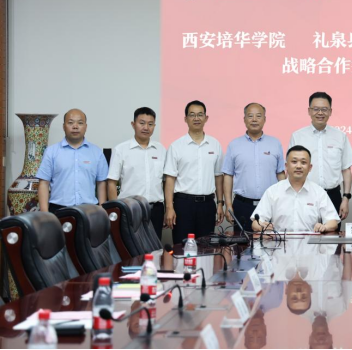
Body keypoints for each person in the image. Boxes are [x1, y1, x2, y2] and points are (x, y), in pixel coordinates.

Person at [289, 92, 352, 227]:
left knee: (332, 235)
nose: (320, 113)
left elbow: (346, 170)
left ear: (330, 111)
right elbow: (290, 170)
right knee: (305, 234)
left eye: (324, 109)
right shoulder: (298, 136)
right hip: (305, 194)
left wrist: (345, 198)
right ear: (309, 111)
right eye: (316, 109)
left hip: (332, 195)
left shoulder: (340, 136)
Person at [163, 100, 224, 245]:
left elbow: (218, 177)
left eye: (200, 114)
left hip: (207, 205)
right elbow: (170, 179)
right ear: (186, 119)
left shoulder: (215, 144)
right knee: (182, 247)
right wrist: (169, 208)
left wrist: (220, 203)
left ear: (206, 118)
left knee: (206, 249)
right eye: (192, 115)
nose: (196, 118)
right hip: (183, 205)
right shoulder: (176, 146)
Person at [222, 103, 286, 232]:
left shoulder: (275, 143)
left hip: (270, 205)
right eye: (250, 116)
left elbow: (280, 174)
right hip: (242, 205)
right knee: (242, 242)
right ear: (244, 119)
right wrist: (228, 204)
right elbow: (228, 175)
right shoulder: (234, 145)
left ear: (265, 119)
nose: (254, 119)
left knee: (270, 241)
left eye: (259, 116)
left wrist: (284, 201)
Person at [251, 146, 340, 233]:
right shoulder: (273, 191)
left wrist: (324, 227)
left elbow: (333, 222)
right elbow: (255, 223)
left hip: (311, 242)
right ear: (286, 166)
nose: (298, 166)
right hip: (280, 241)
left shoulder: (319, 192)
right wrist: (261, 226)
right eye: (294, 162)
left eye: (303, 162)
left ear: (310, 167)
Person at [107, 107, 166, 239]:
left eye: (150, 124)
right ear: (133, 124)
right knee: (130, 248)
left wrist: (168, 209)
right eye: (142, 123)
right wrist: (115, 211)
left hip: (156, 210)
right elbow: (111, 182)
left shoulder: (161, 150)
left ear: (154, 126)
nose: (146, 127)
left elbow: (165, 181)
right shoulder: (121, 150)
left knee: (155, 248)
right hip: (130, 209)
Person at [37, 109, 108, 214]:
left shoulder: (96, 152)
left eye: (80, 123)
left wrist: (102, 211)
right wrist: (45, 214)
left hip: (90, 211)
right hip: (59, 210)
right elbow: (44, 183)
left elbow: (101, 183)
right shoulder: (51, 152)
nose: (75, 126)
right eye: (70, 123)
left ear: (86, 127)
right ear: (63, 126)